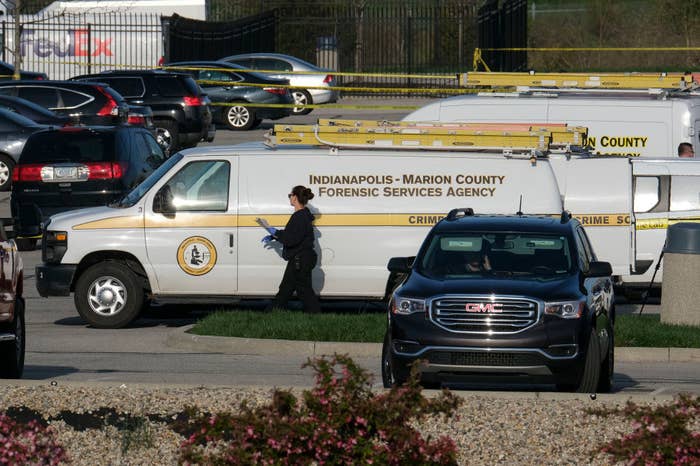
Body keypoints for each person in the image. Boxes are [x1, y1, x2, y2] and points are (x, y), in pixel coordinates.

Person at [258, 185, 321, 313]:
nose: (289, 198)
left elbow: (291, 239)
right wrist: (275, 236)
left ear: (295, 197)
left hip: (300, 259)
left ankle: (315, 315)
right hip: (301, 258)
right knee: (287, 289)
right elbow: (293, 234)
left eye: (290, 195)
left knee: (302, 290)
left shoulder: (300, 216)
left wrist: (274, 231)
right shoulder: (303, 215)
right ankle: (273, 312)